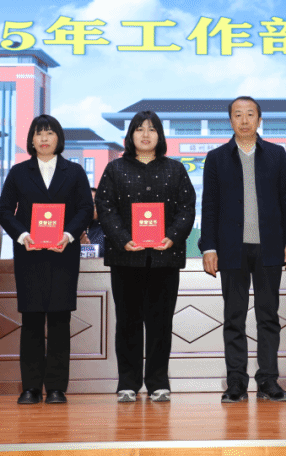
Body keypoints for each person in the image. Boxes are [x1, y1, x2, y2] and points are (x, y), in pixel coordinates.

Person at [199, 96, 286, 403]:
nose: (244, 120)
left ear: (259, 119)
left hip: (270, 247)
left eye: (250, 114)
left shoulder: (276, 154)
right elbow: (209, 207)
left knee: (268, 317)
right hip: (231, 249)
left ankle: (268, 380)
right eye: (238, 115)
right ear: (230, 120)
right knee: (234, 317)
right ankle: (236, 382)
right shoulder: (216, 158)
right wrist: (209, 247)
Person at [96, 111, 196, 403]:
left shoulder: (175, 169)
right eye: (139, 129)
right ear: (130, 135)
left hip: (164, 258)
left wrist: (173, 236)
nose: (146, 134)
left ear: (160, 136)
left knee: (160, 323)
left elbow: (187, 207)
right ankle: (127, 383)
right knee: (127, 322)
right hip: (126, 258)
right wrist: (122, 239)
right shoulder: (115, 169)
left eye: (152, 129)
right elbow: (105, 207)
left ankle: (157, 382)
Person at [0, 115, 94, 405]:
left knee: (60, 321)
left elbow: (85, 208)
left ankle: (56, 388)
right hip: (30, 255)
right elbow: (4, 211)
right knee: (32, 321)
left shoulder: (74, 171)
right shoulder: (19, 172)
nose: (44, 138)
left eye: (49, 133)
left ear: (58, 138)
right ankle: (30, 387)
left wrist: (68, 234)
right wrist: (22, 235)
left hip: (64, 254)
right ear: (31, 140)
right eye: (38, 133)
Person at [81, 187, 106, 253]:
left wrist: (86, 247)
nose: (92, 207)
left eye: (94, 203)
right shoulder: (68, 229)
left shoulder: (107, 230)